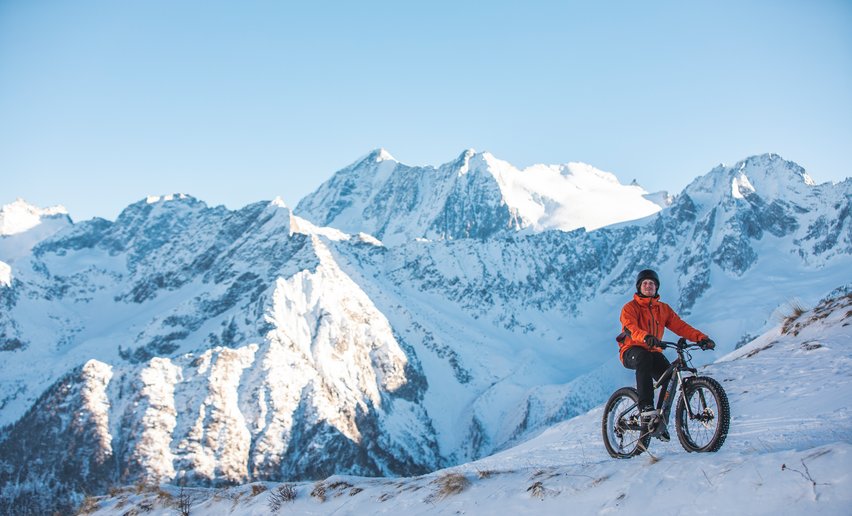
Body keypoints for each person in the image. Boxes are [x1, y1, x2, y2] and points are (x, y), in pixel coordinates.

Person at [617, 269, 715, 440]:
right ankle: (646, 408)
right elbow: (630, 328)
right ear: (639, 287)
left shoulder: (663, 309)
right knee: (644, 358)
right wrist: (646, 337)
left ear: (657, 288)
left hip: (653, 350)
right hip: (631, 350)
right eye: (645, 283)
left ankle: (659, 419)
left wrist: (701, 338)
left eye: (652, 284)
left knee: (670, 376)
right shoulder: (629, 308)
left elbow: (680, 326)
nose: (648, 286)